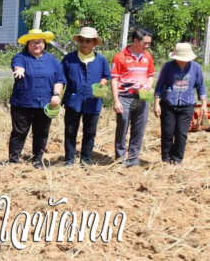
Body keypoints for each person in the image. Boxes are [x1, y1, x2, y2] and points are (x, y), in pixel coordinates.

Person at [8, 29, 65, 169]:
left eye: (39, 42)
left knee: (41, 132)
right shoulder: (21, 57)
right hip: (23, 103)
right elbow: (17, 65)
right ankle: (14, 159)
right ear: (27, 44)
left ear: (44, 43)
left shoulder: (53, 60)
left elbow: (59, 79)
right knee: (19, 132)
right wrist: (19, 69)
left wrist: (57, 95)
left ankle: (37, 159)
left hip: (45, 103)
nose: (36, 45)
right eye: (32, 42)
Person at [60, 27, 111, 166]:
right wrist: (57, 96)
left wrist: (101, 84)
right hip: (73, 100)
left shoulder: (101, 60)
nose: (84, 43)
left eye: (88, 41)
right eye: (82, 40)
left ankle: (86, 159)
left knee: (89, 132)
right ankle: (69, 159)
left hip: (92, 101)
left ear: (94, 43)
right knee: (70, 131)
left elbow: (106, 76)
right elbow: (61, 78)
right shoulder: (69, 59)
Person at [154, 43, 207, 165]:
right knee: (167, 132)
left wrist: (204, 103)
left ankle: (177, 159)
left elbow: (201, 86)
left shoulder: (196, 68)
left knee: (181, 133)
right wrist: (156, 103)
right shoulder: (168, 67)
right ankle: (166, 159)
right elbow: (160, 85)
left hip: (187, 105)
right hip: (168, 104)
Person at [111, 29, 155, 167]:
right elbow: (114, 80)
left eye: (149, 43)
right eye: (145, 43)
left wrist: (148, 85)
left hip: (142, 97)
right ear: (136, 41)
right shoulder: (120, 57)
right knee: (122, 126)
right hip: (125, 96)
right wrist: (116, 100)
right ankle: (120, 158)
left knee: (139, 128)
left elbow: (150, 75)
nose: (147, 46)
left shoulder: (147, 57)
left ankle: (134, 158)